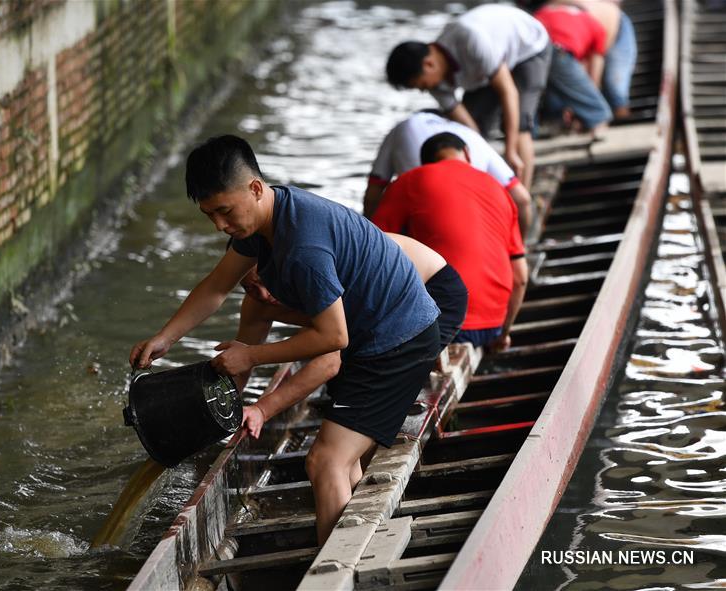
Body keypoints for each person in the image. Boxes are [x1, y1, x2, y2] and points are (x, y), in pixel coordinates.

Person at [130, 135, 464, 545]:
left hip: (398, 341)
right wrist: (165, 338)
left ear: (255, 188)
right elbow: (216, 286)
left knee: (325, 461)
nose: (220, 226)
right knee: (344, 461)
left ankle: (333, 572)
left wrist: (252, 356)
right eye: (209, 215)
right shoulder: (265, 220)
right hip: (373, 334)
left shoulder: (303, 248)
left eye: (224, 211)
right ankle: (352, 545)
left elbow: (332, 337)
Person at [372, 133, 528, 350]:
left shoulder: (409, 181)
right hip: (493, 323)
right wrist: (504, 333)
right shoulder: (498, 188)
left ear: (425, 163)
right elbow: (520, 278)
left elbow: (371, 256)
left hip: (443, 322)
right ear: (466, 153)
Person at [385, 4, 551, 189]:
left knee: (519, 128)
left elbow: (508, 92)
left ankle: (523, 196)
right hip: (488, 68)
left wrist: (510, 150)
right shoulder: (435, 83)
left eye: (423, 85)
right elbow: (470, 128)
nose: (425, 90)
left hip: (528, 47)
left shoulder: (471, 39)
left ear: (429, 64)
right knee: (466, 133)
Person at [363, 110, 533, 236]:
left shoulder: (401, 128)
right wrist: (519, 250)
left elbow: (373, 195)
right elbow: (523, 199)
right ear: (466, 153)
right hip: (481, 227)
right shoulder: (471, 136)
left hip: (427, 229)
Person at [546, 0, 636, 120]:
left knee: (616, 87)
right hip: (582, 26)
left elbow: (595, 62)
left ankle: (621, 117)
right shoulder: (560, 25)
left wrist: (588, 98)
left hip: (613, 24)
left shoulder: (594, 25)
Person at [534, 4, 613, 133]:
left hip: (532, 55)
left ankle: (555, 122)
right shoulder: (595, 25)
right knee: (599, 113)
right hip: (559, 52)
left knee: (551, 90)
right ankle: (597, 131)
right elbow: (594, 74)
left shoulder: (544, 12)